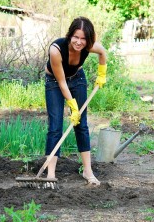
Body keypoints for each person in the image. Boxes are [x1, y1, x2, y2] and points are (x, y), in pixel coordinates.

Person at [44, 16, 107, 186]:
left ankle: (88, 171)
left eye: (83, 38)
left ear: (89, 39)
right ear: (70, 35)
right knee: (55, 126)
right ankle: (50, 174)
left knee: (82, 125)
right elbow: (62, 82)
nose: (79, 42)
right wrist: (72, 106)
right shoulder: (56, 50)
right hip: (55, 82)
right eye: (76, 37)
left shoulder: (89, 47)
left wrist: (102, 73)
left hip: (78, 79)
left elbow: (103, 52)